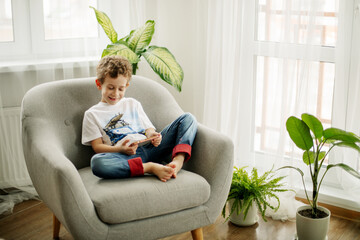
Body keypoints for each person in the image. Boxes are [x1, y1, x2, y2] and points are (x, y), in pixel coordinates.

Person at [81, 56, 197, 182]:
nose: (115, 94)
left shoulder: (132, 103)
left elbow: (148, 129)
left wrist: (153, 135)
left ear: (127, 85)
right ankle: (148, 167)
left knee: (188, 119)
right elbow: (98, 147)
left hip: (149, 147)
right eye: (110, 88)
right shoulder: (92, 114)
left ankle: (178, 160)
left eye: (121, 89)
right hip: (124, 156)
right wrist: (121, 149)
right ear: (99, 84)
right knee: (97, 163)